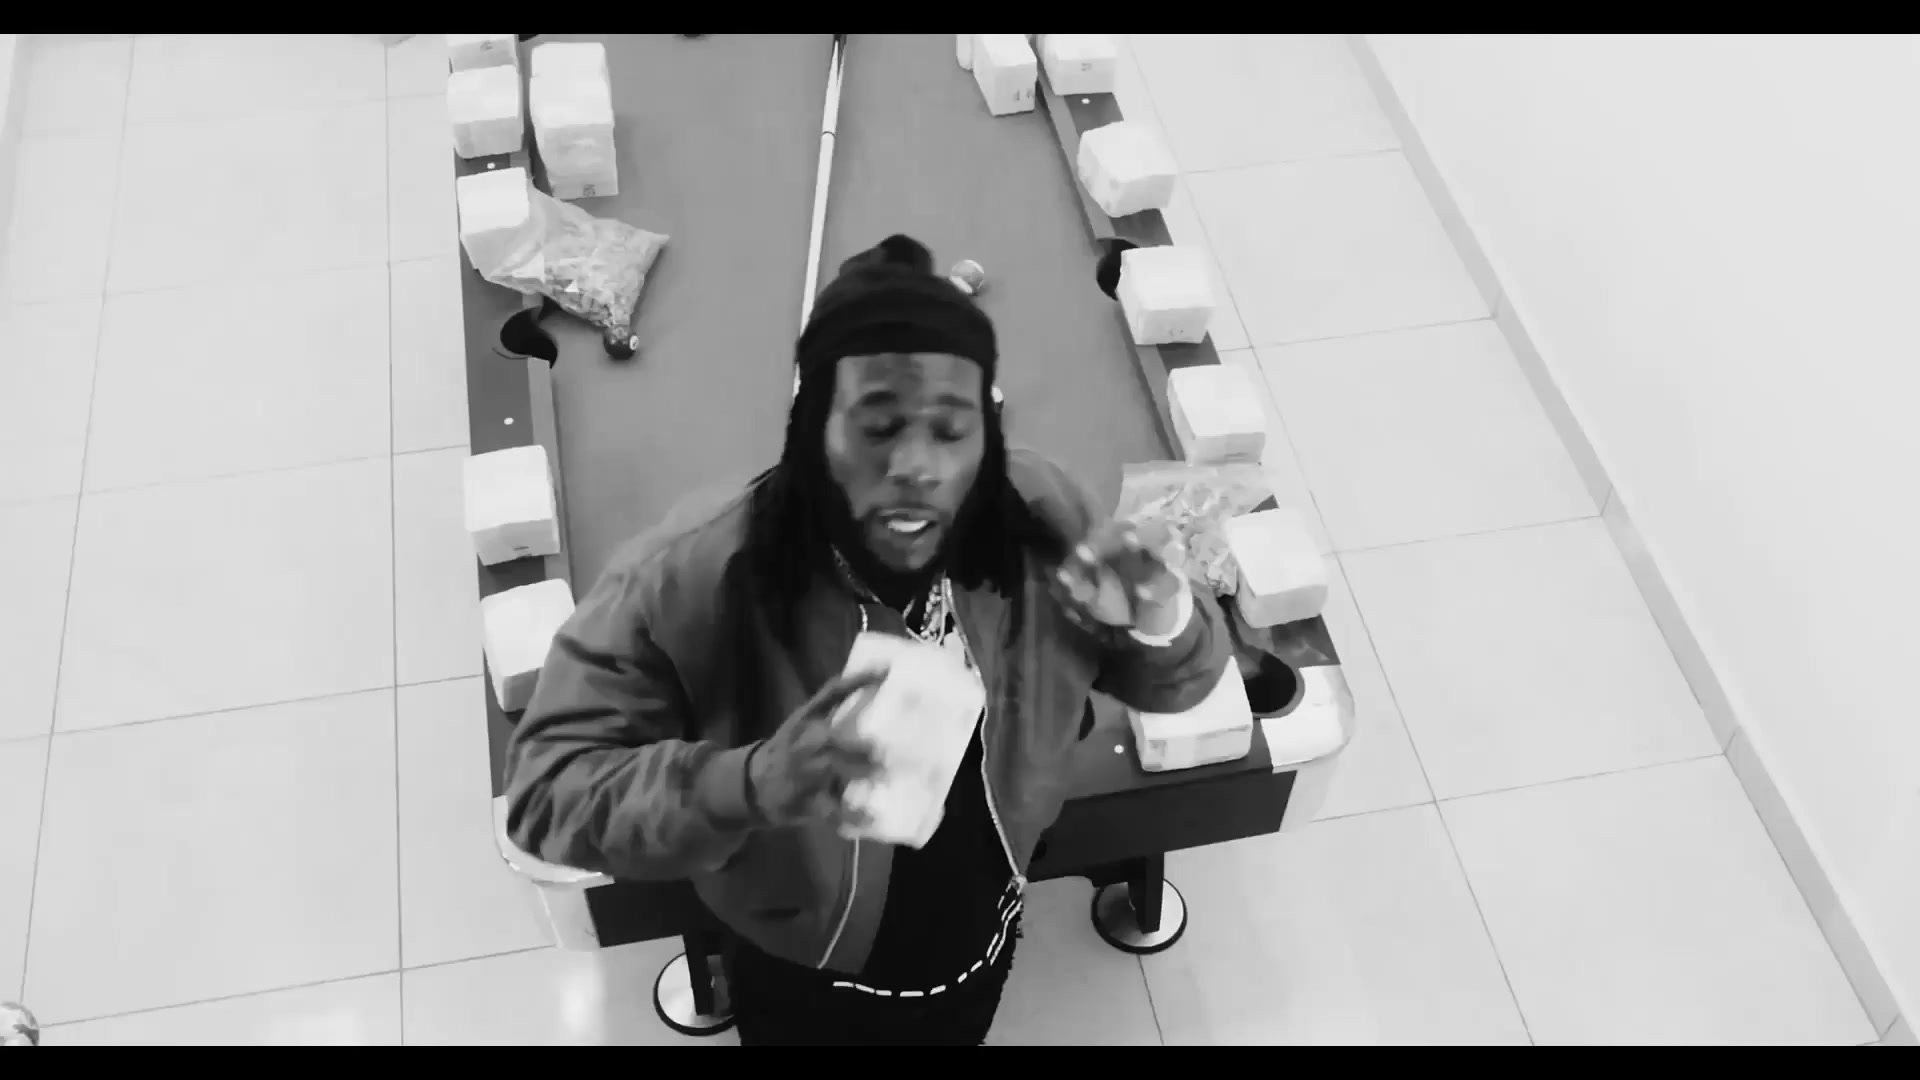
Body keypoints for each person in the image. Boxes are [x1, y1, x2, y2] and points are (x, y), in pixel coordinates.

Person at [503, 233, 1231, 1046]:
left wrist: (1158, 615)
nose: (917, 468)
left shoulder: (1034, 512)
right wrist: (751, 784)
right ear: (812, 431)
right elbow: (547, 797)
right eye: (878, 428)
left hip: (990, 921)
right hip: (807, 977)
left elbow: (1179, 682)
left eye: (949, 429)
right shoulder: (698, 573)